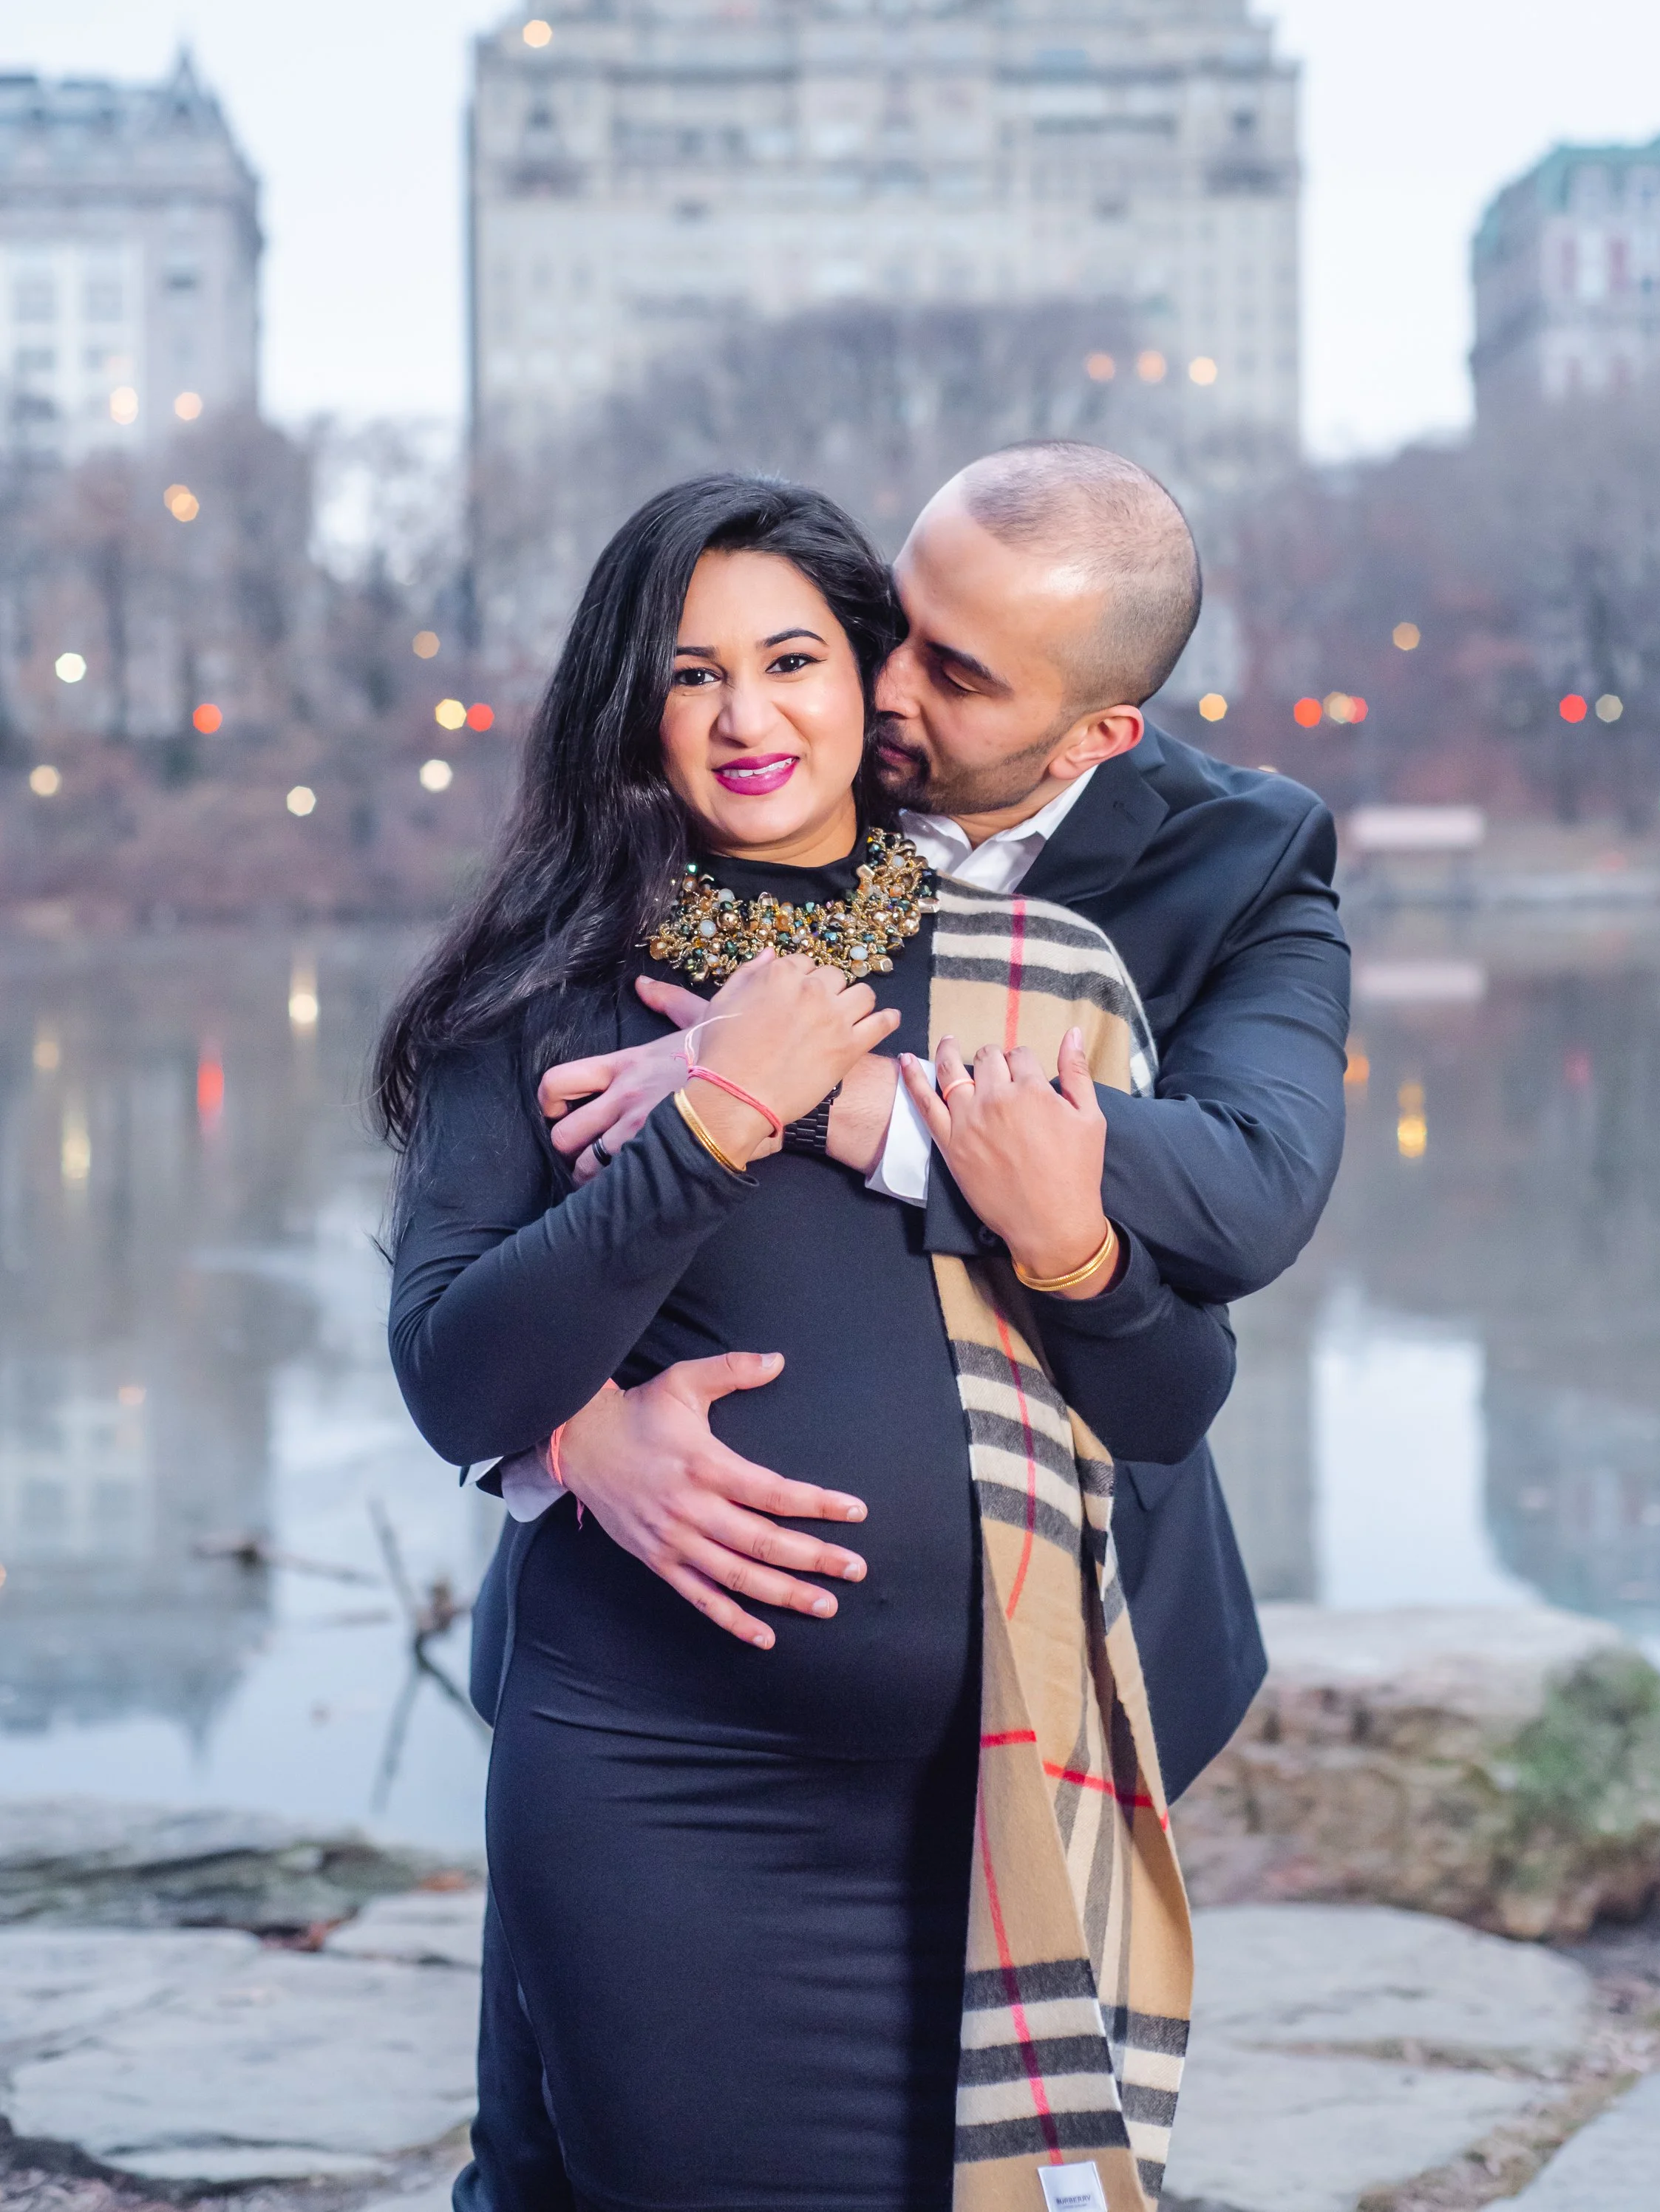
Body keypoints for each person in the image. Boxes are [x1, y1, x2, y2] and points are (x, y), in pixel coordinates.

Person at [381, 474, 1227, 2212]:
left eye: (790, 660)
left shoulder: (1037, 974)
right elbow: (455, 1375)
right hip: (664, 1786)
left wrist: (1069, 1242)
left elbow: (1167, 1398)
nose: (748, 716)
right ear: (633, 704)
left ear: (868, 679)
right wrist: (712, 1123)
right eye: (691, 676)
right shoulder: (551, 986)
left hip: (984, 1782)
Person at [490, 441, 1350, 1794]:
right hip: (652, 1681)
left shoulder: (1238, 859)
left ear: (1095, 735)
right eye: (901, 618)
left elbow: (1245, 1191)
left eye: (957, 675)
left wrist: (821, 1093)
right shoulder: (763, 742)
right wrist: (561, 1431)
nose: (883, 684)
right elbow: (492, 1174)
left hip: (1084, 1622)